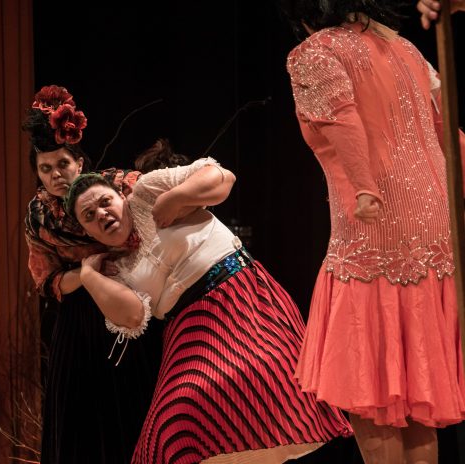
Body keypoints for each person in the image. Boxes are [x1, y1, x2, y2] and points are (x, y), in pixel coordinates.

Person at [64, 155, 352, 464]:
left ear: (121, 197)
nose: (101, 214)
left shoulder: (147, 192)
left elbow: (221, 178)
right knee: (173, 424)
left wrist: (176, 197)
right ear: (88, 232)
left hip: (239, 297)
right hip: (189, 332)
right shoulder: (112, 267)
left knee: (266, 381)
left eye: (105, 202)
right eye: (89, 215)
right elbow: (131, 317)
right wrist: (89, 275)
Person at [283, 1, 465, 462]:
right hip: (433, 224)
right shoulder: (406, 48)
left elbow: (341, 119)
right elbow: (449, 132)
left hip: (377, 223)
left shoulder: (316, 50)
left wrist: (365, 188)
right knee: (416, 393)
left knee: (375, 392)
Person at [23, 85, 162, 464]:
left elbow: (161, 200)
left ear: (80, 163)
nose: (56, 175)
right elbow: (48, 281)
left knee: (135, 410)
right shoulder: (40, 218)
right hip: (81, 323)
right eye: (46, 169)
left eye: (63, 164)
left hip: (134, 305)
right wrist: (87, 273)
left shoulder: (114, 186)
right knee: (82, 422)